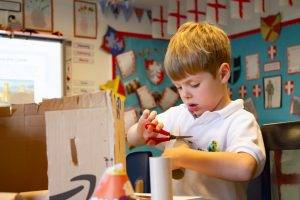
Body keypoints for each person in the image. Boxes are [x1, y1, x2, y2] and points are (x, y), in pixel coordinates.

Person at [127, 22, 266, 200]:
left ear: (223, 74)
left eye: (194, 85)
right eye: (178, 87)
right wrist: (141, 131)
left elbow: (245, 168)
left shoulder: (239, 121)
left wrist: (183, 157)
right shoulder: (178, 115)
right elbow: (131, 139)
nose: (185, 95)